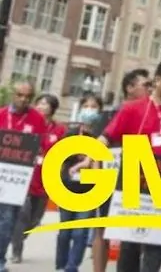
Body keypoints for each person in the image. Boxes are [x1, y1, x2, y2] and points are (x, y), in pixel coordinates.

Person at [99, 60, 161, 272]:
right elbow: (105, 138)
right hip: (134, 184)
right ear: (158, 80)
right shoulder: (133, 109)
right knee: (129, 246)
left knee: (156, 248)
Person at [90, 67, 152, 272]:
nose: (150, 89)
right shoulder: (107, 116)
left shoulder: (151, 113)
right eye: (146, 85)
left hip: (135, 179)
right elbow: (98, 147)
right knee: (102, 228)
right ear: (130, 87)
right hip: (108, 178)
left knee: (132, 232)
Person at [10, 93, 65, 264]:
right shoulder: (28, 123)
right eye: (39, 103)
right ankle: (16, 250)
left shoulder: (59, 129)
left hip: (46, 178)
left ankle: (15, 237)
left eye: (46, 104)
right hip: (25, 176)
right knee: (23, 214)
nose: (41, 106)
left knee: (35, 219)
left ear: (53, 108)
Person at [0, 80, 49, 272]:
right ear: (13, 94)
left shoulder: (36, 119)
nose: (24, 99)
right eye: (20, 95)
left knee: (8, 219)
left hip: (18, 180)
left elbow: (42, 145)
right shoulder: (2, 114)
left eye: (28, 96)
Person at [57, 94, 103, 272]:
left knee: (80, 232)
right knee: (64, 232)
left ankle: (71, 266)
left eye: (94, 107)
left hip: (89, 189)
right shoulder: (70, 133)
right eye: (87, 106)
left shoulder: (101, 136)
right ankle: (61, 264)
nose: (90, 110)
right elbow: (60, 158)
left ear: (99, 111)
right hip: (67, 187)